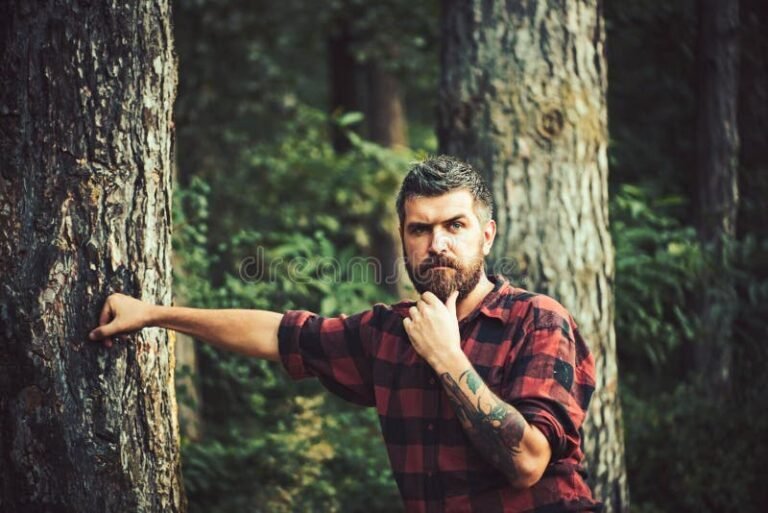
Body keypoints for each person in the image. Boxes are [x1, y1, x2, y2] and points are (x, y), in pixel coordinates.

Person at [90, 156, 600, 513]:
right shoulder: (390, 333)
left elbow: (527, 461)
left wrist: (446, 355)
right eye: (420, 229)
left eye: (455, 226)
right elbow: (279, 334)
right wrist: (152, 313)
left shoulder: (537, 320)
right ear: (403, 238)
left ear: (486, 236)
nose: (437, 244)